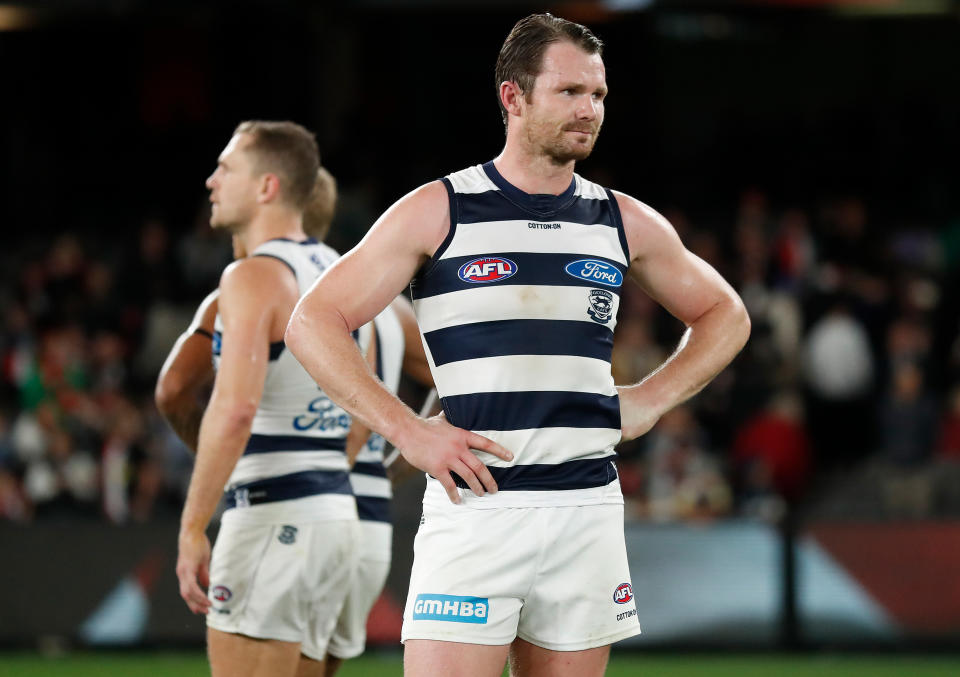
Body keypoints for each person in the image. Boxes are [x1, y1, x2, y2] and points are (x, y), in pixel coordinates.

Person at [285, 13, 750, 677]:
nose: (590, 109)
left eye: (599, 95)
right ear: (514, 97)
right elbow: (314, 318)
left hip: (584, 506)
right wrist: (407, 430)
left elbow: (726, 314)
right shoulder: (440, 208)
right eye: (570, 92)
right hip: (478, 507)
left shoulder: (621, 219)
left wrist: (651, 398)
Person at [173, 121, 364, 677]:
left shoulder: (252, 276)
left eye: (226, 168)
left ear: (267, 187)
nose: (212, 181)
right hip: (333, 514)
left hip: (271, 515)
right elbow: (361, 411)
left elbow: (234, 410)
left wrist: (192, 528)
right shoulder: (339, 271)